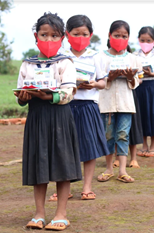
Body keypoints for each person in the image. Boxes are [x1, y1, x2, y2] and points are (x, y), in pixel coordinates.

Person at [14, 12, 81, 231]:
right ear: (36, 36)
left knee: (62, 164)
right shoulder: (27, 64)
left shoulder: (65, 63)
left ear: (62, 38)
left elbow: (69, 92)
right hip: (36, 118)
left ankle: (61, 214)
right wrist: (23, 98)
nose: (49, 40)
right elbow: (21, 93)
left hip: (60, 117)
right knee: (38, 165)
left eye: (54, 36)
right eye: (44, 35)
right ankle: (39, 213)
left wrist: (49, 96)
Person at [48, 14, 109, 202]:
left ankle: (87, 186)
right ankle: (63, 188)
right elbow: (53, 81)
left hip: (88, 105)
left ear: (91, 35)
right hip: (65, 105)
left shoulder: (97, 57)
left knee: (89, 146)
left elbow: (103, 82)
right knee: (63, 147)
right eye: (76, 33)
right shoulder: (60, 57)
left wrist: (93, 84)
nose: (80, 38)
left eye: (84, 34)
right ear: (67, 34)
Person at [97, 20, 143, 183]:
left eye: (124, 36)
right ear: (109, 36)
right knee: (108, 135)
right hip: (106, 103)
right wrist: (109, 78)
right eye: (116, 35)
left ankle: (122, 171)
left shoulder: (133, 58)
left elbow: (139, 79)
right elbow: (97, 79)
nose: (120, 38)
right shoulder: (100, 57)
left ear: (128, 37)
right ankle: (109, 168)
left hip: (125, 103)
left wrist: (131, 78)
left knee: (123, 135)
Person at [133, 26, 154, 157]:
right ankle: (144, 146)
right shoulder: (134, 55)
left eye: (148, 40)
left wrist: (151, 73)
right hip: (139, 87)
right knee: (140, 116)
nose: (145, 43)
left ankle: (153, 146)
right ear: (138, 40)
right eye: (143, 40)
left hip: (153, 87)